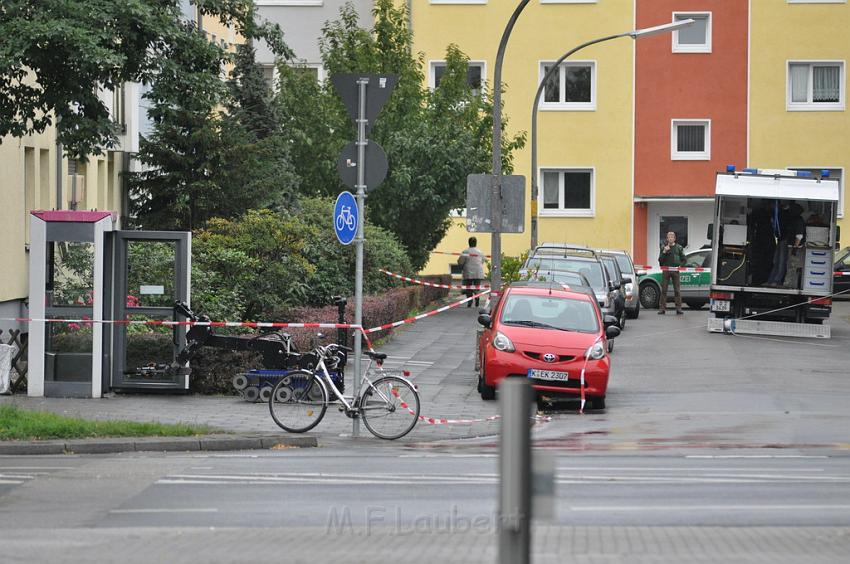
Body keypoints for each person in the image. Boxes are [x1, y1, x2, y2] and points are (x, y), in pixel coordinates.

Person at [766, 202, 805, 287]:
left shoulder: (797, 220)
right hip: (787, 243)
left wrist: (795, 247)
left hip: (793, 246)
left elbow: (799, 235)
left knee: (788, 264)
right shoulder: (794, 219)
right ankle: (774, 280)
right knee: (781, 262)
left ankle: (781, 282)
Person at [658, 231, 686, 315]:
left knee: (677, 290)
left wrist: (681, 266)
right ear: (667, 239)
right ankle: (662, 309)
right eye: (668, 237)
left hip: (675, 271)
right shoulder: (664, 247)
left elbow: (684, 259)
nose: (670, 238)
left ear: (674, 238)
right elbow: (660, 261)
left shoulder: (679, 248)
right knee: (664, 290)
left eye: (672, 237)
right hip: (666, 271)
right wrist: (664, 252)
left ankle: (678, 308)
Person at [458, 237, 486, 308]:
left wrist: (461, 267)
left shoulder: (465, 252)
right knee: (477, 287)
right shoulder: (480, 252)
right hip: (478, 272)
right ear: (476, 243)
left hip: (468, 272)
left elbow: (460, 262)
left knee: (468, 287)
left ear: (469, 243)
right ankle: (477, 296)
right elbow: (482, 261)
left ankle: (470, 301)